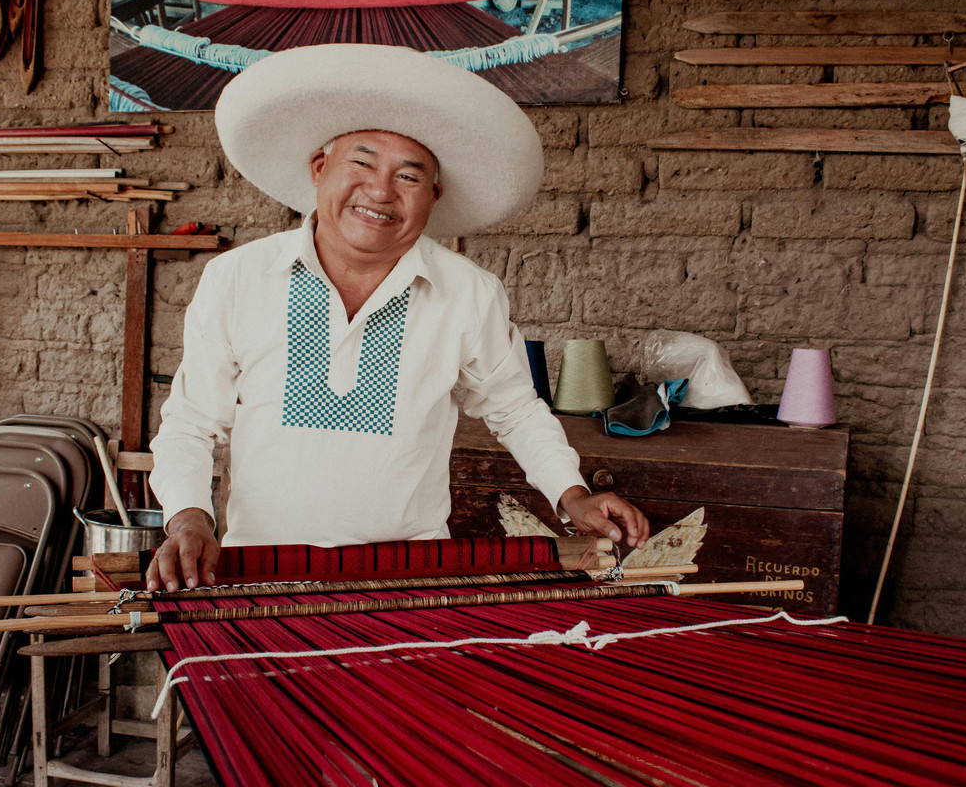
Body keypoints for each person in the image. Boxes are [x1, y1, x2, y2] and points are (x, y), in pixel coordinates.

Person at [146, 44, 648, 592]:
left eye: (409, 177)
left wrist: (571, 495)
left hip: (409, 578)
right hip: (259, 575)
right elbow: (192, 424)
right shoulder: (237, 278)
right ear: (319, 168)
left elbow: (516, 412)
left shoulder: (467, 293)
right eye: (361, 163)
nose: (381, 192)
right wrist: (189, 517)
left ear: (434, 195)